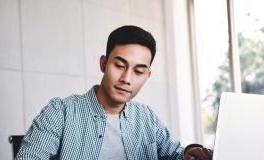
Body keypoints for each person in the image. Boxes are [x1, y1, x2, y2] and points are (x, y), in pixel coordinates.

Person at [16, 25, 213, 160]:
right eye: (120, 65)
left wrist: (191, 152)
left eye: (138, 71)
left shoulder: (146, 118)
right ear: (103, 63)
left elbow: (175, 154)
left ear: (147, 76)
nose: (127, 78)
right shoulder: (61, 112)